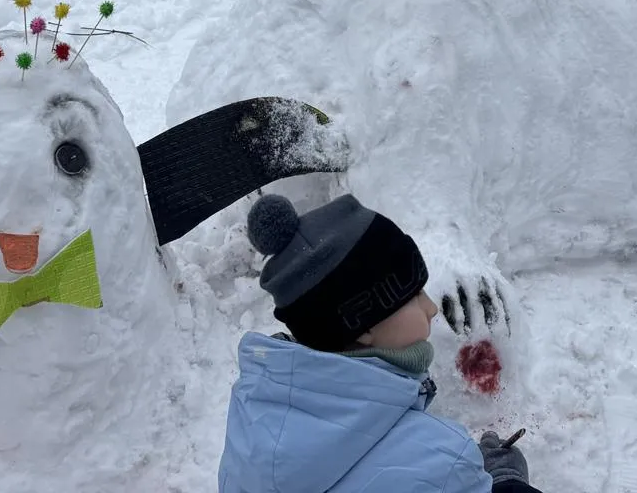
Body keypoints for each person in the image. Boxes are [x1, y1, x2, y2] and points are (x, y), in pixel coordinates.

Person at [218, 193, 541, 493]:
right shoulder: (444, 463)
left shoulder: (253, 419)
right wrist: (500, 483)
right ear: (360, 327)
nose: (431, 307)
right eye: (414, 295)